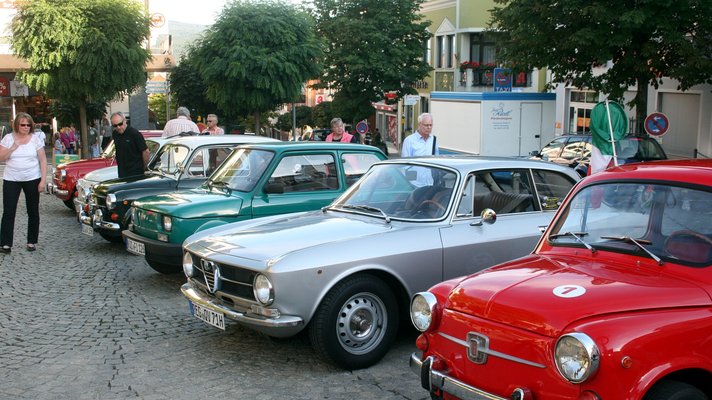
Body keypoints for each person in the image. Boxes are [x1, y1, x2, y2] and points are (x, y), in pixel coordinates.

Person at [0, 112, 48, 253]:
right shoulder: (8, 139)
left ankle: (31, 241)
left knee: (33, 211)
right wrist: (13, 147)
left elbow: (43, 160)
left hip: (32, 178)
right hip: (11, 179)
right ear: (17, 125)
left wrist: (43, 180)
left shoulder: (35, 139)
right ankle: (5, 243)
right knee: (9, 211)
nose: (26, 127)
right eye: (23, 125)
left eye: (28, 125)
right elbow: (1, 157)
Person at [110, 111, 149, 178]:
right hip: (122, 172)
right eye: (115, 126)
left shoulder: (134, 134)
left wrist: (143, 168)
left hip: (135, 173)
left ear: (125, 121)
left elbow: (145, 151)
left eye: (120, 124)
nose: (118, 127)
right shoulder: (115, 134)